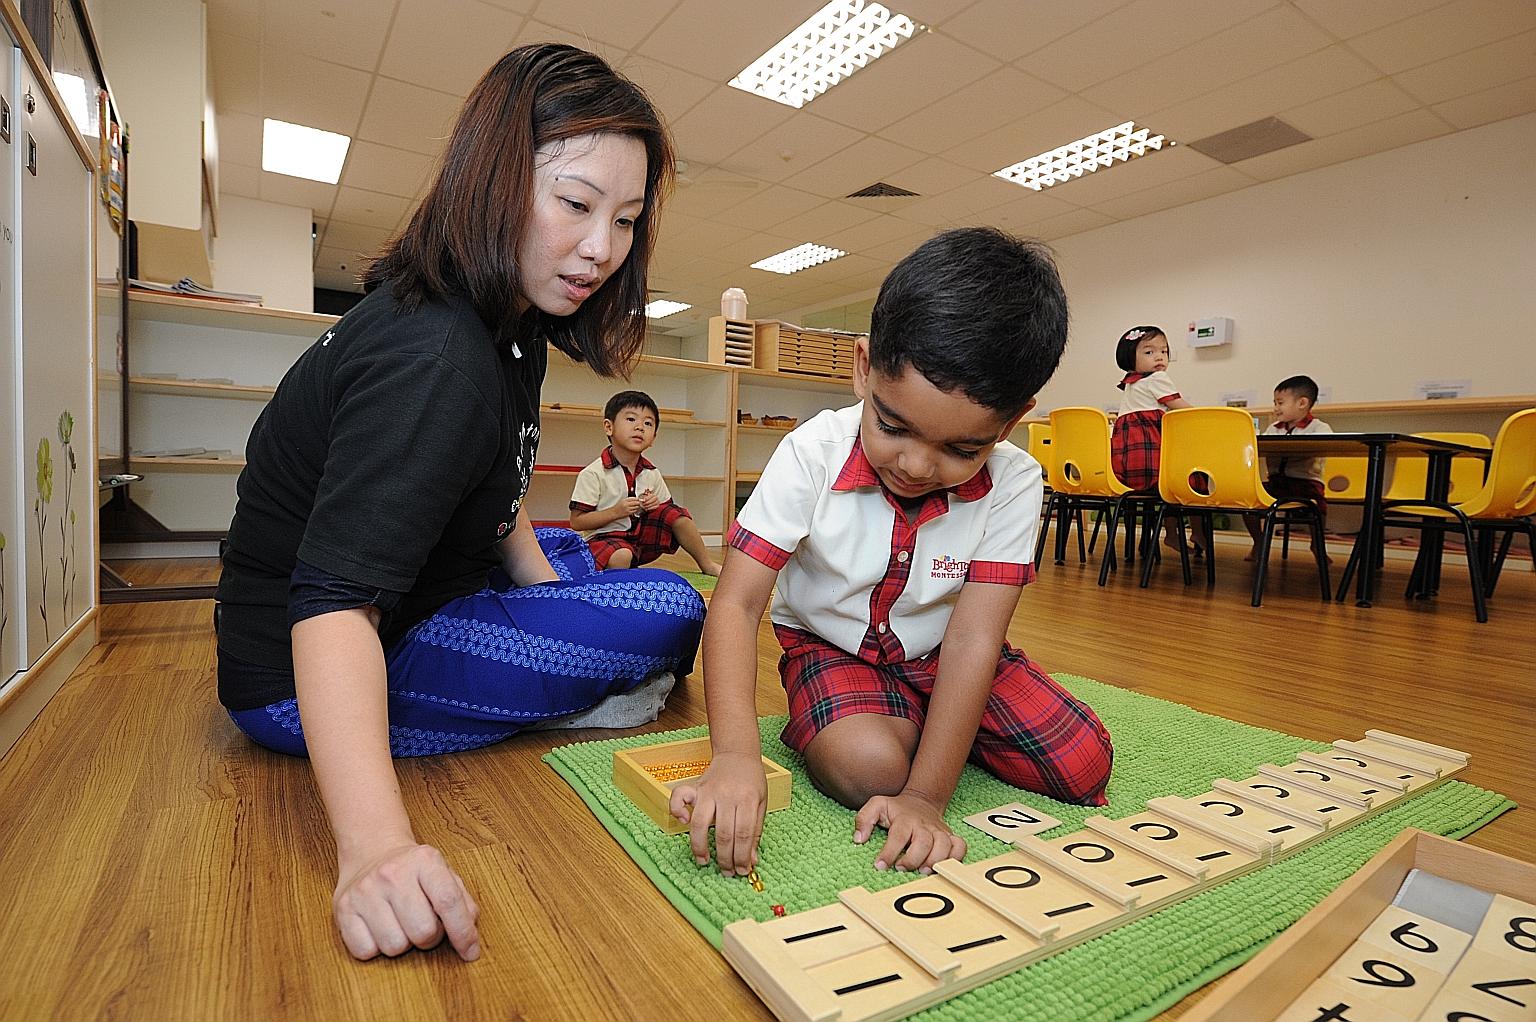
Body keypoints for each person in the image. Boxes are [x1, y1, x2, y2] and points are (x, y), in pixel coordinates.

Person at [213, 44, 705, 964]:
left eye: (627, 220)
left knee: (570, 554)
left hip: (419, 600)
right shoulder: (435, 354)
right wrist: (375, 850)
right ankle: (556, 687)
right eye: (575, 203)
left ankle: (554, 659)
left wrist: (548, 596)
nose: (603, 247)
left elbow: (499, 497)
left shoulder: (506, 330)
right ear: (493, 179)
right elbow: (330, 603)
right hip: (298, 677)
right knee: (672, 607)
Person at [668, 228, 1115, 879]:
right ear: (862, 368)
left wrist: (927, 798)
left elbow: (972, 642)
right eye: (893, 426)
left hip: (940, 651)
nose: (916, 464)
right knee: (870, 768)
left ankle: (925, 723)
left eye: (963, 450)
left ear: (1011, 423)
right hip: (833, 646)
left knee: (1081, 763)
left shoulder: (1016, 481)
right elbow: (735, 605)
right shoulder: (810, 452)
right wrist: (734, 755)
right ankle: (887, 720)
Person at [569, 390, 722, 575]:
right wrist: (615, 512)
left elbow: (668, 511)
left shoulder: (651, 472)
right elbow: (577, 522)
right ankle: (617, 581)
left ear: (653, 438)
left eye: (648, 423)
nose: (640, 427)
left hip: (640, 538)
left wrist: (654, 505)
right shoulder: (594, 473)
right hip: (604, 541)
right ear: (609, 427)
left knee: (678, 516)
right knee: (622, 555)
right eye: (631, 419)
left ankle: (707, 564)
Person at [1110, 325, 1204, 552]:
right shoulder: (1157, 378)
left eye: (1164, 351)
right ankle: (1198, 533)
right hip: (1151, 464)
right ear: (1130, 358)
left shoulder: (1131, 385)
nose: (1159, 357)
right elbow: (1182, 409)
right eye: (1149, 352)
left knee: (1166, 488)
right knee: (1195, 479)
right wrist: (1207, 419)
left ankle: (1172, 534)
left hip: (1128, 468)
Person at [1244, 375, 1333, 561]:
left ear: (1302, 403)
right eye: (1275, 403)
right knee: (1247, 497)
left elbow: (1327, 444)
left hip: (1305, 483)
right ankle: (1258, 541)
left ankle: (1318, 544)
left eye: (1280, 403)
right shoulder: (1274, 428)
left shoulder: (1319, 428)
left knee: (1319, 503)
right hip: (1276, 482)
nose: (1275, 408)